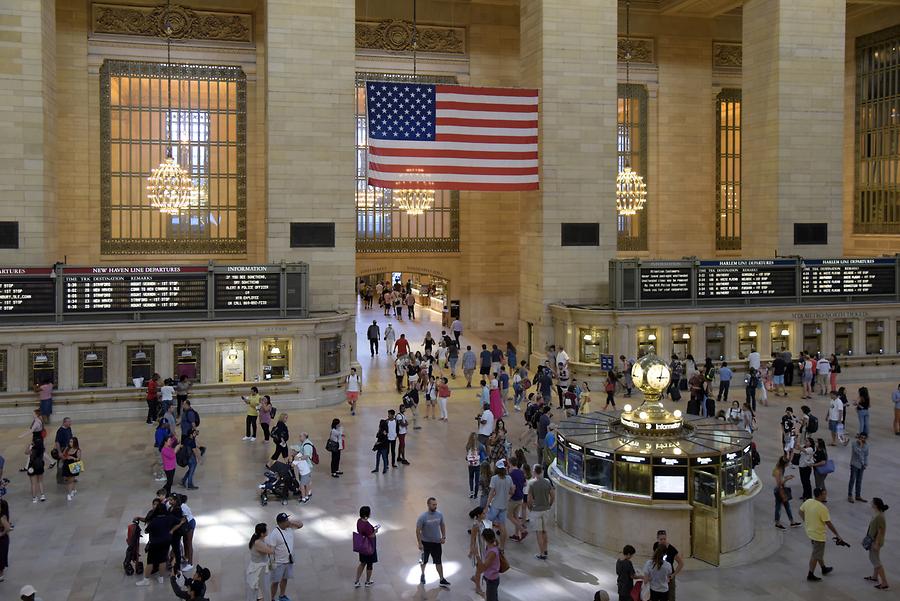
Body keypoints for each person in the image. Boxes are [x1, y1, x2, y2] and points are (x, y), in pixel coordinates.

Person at [800, 488, 846, 581]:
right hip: (818, 535)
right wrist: (837, 535)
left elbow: (800, 512)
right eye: (824, 494)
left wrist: (807, 521)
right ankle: (810, 574)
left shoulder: (808, 501)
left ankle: (823, 568)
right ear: (820, 495)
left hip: (810, 532)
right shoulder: (822, 508)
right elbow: (828, 523)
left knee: (818, 552)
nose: (826, 495)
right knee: (815, 555)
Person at [266, 512, 303, 601]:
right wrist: (271, 564)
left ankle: (282, 596)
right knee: (275, 582)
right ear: (280, 523)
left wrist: (291, 522)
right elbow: (270, 550)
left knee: (285, 579)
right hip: (279, 563)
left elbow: (301, 525)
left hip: (288, 560)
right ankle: (272, 599)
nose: (288, 521)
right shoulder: (274, 534)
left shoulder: (289, 527)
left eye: (287, 519)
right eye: (286, 520)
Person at [416, 497, 451, 588]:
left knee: (438, 561)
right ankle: (422, 575)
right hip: (426, 543)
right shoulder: (423, 517)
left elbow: (442, 525)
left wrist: (443, 536)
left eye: (436, 504)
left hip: (436, 543)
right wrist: (420, 543)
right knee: (424, 561)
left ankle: (442, 579)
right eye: (433, 504)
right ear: (428, 505)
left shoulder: (439, 514)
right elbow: (418, 530)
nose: (435, 506)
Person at [529, 463, 554, 559]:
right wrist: (549, 504)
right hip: (546, 509)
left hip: (536, 510)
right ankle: (546, 549)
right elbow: (553, 495)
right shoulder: (547, 482)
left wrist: (530, 508)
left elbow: (530, 499)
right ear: (542, 471)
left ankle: (541, 553)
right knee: (544, 531)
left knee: (538, 532)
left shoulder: (531, 483)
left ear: (534, 471)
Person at [485, 459, 512, 550]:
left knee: (489, 524)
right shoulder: (509, 478)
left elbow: (491, 493)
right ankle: (502, 547)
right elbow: (512, 491)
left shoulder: (494, 479)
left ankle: (490, 544)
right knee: (502, 527)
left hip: (495, 505)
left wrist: (487, 505)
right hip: (504, 505)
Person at [865, 498, 890, 590]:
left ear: (875, 505)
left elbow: (880, 531)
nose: (870, 503)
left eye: (872, 502)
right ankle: (875, 577)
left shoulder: (879, 516)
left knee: (875, 560)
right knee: (876, 559)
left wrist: (876, 543)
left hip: (876, 541)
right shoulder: (877, 514)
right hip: (874, 540)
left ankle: (884, 582)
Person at [652, 530, 683, 601]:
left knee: (671, 596)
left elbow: (681, 563)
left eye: (664, 539)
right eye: (661, 539)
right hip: (658, 575)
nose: (663, 541)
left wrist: (673, 575)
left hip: (669, 576)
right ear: (657, 539)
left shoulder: (672, 550)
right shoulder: (655, 545)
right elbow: (654, 558)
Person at [246, 523, 274, 601]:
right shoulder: (258, 543)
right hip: (260, 569)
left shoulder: (257, 538)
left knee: (260, 587)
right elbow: (271, 551)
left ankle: (260, 598)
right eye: (266, 530)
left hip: (260, 566)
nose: (268, 531)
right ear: (262, 534)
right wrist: (272, 544)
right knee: (264, 588)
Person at [354, 505, 380, 588]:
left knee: (362, 563)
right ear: (367, 514)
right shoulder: (367, 525)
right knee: (369, 565)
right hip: (369, 547)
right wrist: (375, 531)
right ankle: (367, 581)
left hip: (362, 546)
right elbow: (371, 536)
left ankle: (357, 581)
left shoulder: (359, 521)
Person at [773, 456, 801, 529]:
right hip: (779, 490)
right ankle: (778, 522)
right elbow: (779, 483)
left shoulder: (781, 469)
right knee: (779, 507)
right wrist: (787, 479)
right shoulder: (778, 470)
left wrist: (786, 477)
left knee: (786, 506)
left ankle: (791, 522)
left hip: (781, 489)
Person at [473, 528, 501, 600]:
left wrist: (477, 555)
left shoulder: (492, 552)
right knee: (492, 596)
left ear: (484, 538)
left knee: (491, 598)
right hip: (490, 576)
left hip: (492, 579)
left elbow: (483, 568)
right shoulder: (490, 547)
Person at [848, 432, 869, 503]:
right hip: (855, 464)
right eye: (861, 437)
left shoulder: (867, 445)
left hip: (862, 465)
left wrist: (865, 463)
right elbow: (858, 453)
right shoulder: (854, 443)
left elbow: (866, 455)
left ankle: (858, 495)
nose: (862, 439)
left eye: (864, 438)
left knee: (859, 481)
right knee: (852, 480)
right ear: (859, 437)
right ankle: (850, 495)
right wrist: (860, 445)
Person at [293, 432, 314, 503]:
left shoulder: (307, 445)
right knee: (306, 482)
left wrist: (298, 459)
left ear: (305, 437)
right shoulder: (304, 443)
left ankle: (305, 495)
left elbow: (307, 456)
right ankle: (306, 494)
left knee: (304, 483)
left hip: (307, 466)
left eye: (300, 436)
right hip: (304, 468)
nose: (299, 438)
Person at [61, 436, 82, 502]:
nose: (70, 443)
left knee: (71, 479)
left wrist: (73, 458)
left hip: (74, 465)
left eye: (71, 442)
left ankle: (69, 494)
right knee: (68, 479)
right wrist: (66, 457)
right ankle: (73, 489)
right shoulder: (67, 448)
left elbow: (78, 459)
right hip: (66, 465)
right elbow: (63, 456)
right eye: (70, 442)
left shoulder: (78, 450)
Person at [466, 433, 481, 499]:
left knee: (471, 478)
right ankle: (475, 494)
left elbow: (467, 455)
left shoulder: (468, 446)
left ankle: (472, 492)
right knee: (476, 480)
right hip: (477, 465)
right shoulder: (479, 446)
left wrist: (468, 458)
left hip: (471, 465)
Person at [0, 498, 9, 583]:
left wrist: (1, 534)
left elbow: (7, 528)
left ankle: (1, 574)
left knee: (1, 556)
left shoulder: (2, 517)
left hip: (2, 539)